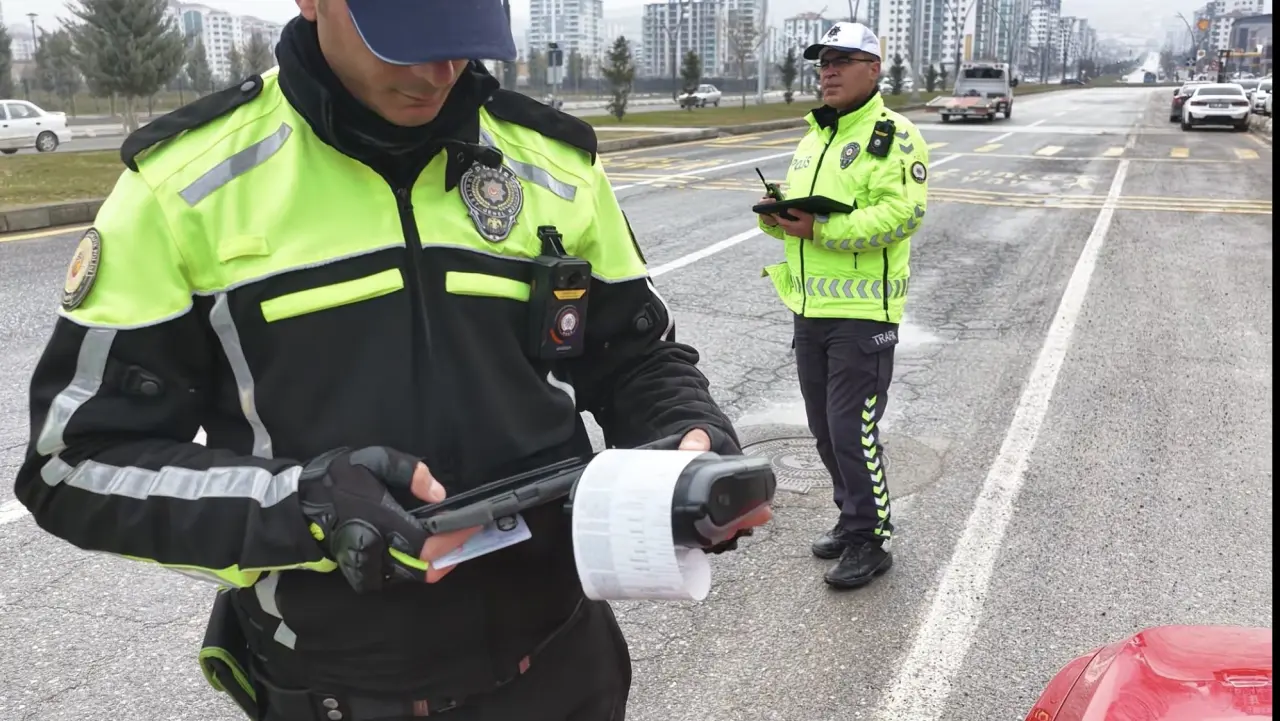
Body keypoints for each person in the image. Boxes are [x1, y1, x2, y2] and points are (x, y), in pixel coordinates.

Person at [12, 1, 771, 719]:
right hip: (340, 689)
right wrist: (302, 508)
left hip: (565, 664)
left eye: (462, 34)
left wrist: (689, 435)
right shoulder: (182, 188)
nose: (439, 72)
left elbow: (636, 357)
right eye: (404, 37)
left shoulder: (554, 162)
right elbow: (73, 465)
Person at [755, 22, 928, 590]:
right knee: (824, 429)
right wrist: (780, 217)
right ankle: (851, 516)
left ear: (873, 68)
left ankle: (871, 539)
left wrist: (820, 229)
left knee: (852, 429)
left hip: (864, 313)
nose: (827, 71)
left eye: (841, 60)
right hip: (810, 308)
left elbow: (902, 214)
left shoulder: (893, 135)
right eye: (823, 62)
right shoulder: (814, 137)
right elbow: (806, 221)